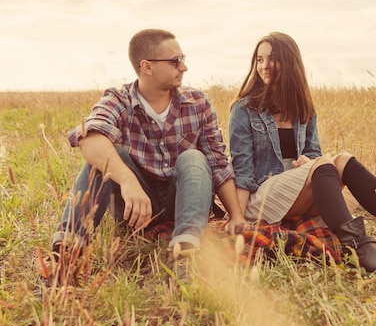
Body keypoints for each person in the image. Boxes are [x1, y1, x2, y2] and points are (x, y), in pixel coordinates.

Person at [228, 32, 376, 280]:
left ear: (290, 63)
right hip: (264, 198)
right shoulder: (244, 110)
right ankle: (361, 248)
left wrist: (309, 162)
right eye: (260, 60)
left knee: (343, 160)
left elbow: (313, 154)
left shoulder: (303, 107)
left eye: (272, 59)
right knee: (326, 163)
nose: (264, 66)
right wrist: (238, 216)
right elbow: (242, 172)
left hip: (301, 194)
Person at [48, 28, 246, 284]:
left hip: (183, 201)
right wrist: (128, 180)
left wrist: (236, 215)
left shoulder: (198, 102)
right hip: (135, 207)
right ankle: (65, 258)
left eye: (183, 58)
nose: (184, 67)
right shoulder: (118, 99)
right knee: (106, 157)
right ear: (147, 67)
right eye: (175, 61)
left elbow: (218, 162)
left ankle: (185, 257)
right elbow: (89, 138)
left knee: (194, 157)